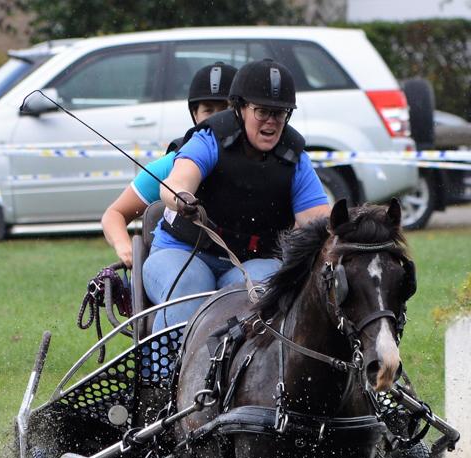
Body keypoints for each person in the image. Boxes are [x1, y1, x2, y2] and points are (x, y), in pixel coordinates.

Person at [145, 58, 330, 330]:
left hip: (251, 263)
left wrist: (356, 229)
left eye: (280, 113)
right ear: (240, 108)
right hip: (182, 253)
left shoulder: (295, 159)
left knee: (264, 287)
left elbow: (320, 220)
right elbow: (175, 183)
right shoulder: (208, 139)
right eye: (262, 111)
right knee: (191, 285)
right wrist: (181, 197)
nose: (271, 121)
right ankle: (167, 359)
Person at [100, 62, 237, 269]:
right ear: (195, 115)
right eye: (208, 110)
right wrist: (125, 247)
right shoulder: (170, 165)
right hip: (182, 260)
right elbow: (114, 214)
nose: (217, 119)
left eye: (226, 109)